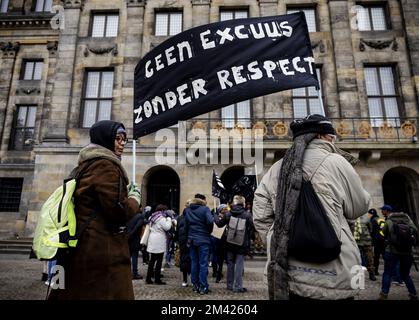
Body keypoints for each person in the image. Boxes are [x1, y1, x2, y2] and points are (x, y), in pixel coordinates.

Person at [253, 114, 371, 300]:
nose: (334, 139)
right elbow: (358, 208)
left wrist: (280, 239)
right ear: (322, 136)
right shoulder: (336, 162)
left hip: (288, 271)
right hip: (334, 269)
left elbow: (260, 214)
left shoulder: (277, 167)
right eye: (332, 135)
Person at [48, 120, 141, 300]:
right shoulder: (106, 165)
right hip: (102, 251)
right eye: (118, 139)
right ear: (105, 139)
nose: (122, 143)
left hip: (86, 246)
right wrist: (134, 199)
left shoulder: (87, 164)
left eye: (124, 140)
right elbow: (118, 212)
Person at [214, 196, 254, 293]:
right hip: (241, 243)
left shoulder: (228, 214)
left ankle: (230, 285)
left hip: (230, 242)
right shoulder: (247, 215)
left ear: (234, 203)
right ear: (243, 204)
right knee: (239, 265)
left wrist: (215, 215)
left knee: (230, 264)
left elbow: (219, 224)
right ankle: (238, 286)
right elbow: (252, 227)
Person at [378, 208, 418, 300]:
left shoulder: (389, 221)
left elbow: (382, 233)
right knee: (405, 274)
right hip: (406, 252)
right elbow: (415, 231)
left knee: (387, 273)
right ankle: (413, 294)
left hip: (391, 250)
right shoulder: (408, 221)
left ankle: (384, 294)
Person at [184, 193, 214, 295]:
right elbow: (210, 221)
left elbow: (186, 226)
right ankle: (203, 286)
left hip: (192, 239)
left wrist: (188, 237)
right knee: (203, 263)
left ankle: (195, 285)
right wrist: (208, 231)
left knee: (194, 263)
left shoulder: (188, 210)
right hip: (203, 239)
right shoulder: (205, 209)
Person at [145, 205, 173, 285]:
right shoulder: (162, 218)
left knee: (152, 260)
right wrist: (169, 219)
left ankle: (148, 278)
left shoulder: (152, 217)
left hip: (152, 238)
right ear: (163, 210)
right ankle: (157, 279)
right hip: (159, 240)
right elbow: (167, 227)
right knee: (159, 261)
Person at [174, 200, 192, 287]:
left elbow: (177, 231)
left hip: (182, 240)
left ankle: (185, 280)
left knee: (184, 259)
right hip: (191, 240)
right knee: (193, 259)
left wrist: (176, 240)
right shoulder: (193, 216)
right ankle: (193, 279)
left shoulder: (180, 217)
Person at [353, 215, 376, 281]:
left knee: (370, 258)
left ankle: (371, 273)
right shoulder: (351, 218)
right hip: (356, 242)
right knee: (357, 259)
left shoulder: (366, 218)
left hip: (366, 242)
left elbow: (370, 229)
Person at [127, 208, 146, 280]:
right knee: (135, 256)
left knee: (129, 256)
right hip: (134, 239)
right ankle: (134, 273)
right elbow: (137, 227)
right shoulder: (140, 216)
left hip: (128, 238)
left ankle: (127, 272)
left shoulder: (129, 216)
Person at [368, 208, 386, 275]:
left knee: (376, 257)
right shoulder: (381, 219)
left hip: (377, 241)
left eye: (369, 214)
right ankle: (390, 271)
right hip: (383, 240)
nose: (368, 215)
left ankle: (376, 271)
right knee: (385, 257)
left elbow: (372, 231)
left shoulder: (373, 220)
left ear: (372, 214)